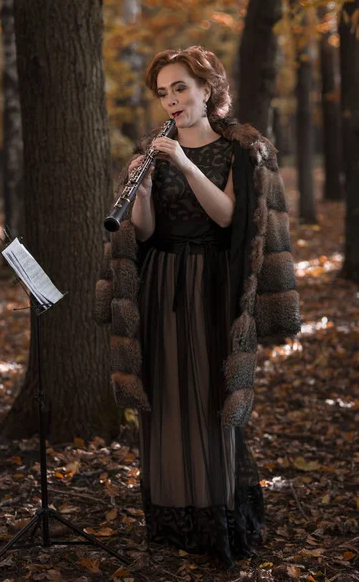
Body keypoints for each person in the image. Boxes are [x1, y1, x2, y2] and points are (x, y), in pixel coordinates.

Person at [95, 46, 300, 567]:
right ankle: (172, 516)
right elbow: (144, 232)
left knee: (210, 395)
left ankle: (216, 515)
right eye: (163, 93)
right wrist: (138, 196)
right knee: (165, 396)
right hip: (162, 282)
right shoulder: (151, 150)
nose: (172, 101)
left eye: (180, 88)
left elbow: (229, 217)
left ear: (208, 89)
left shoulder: (237, 150)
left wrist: (183, 163)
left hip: (211, 282)